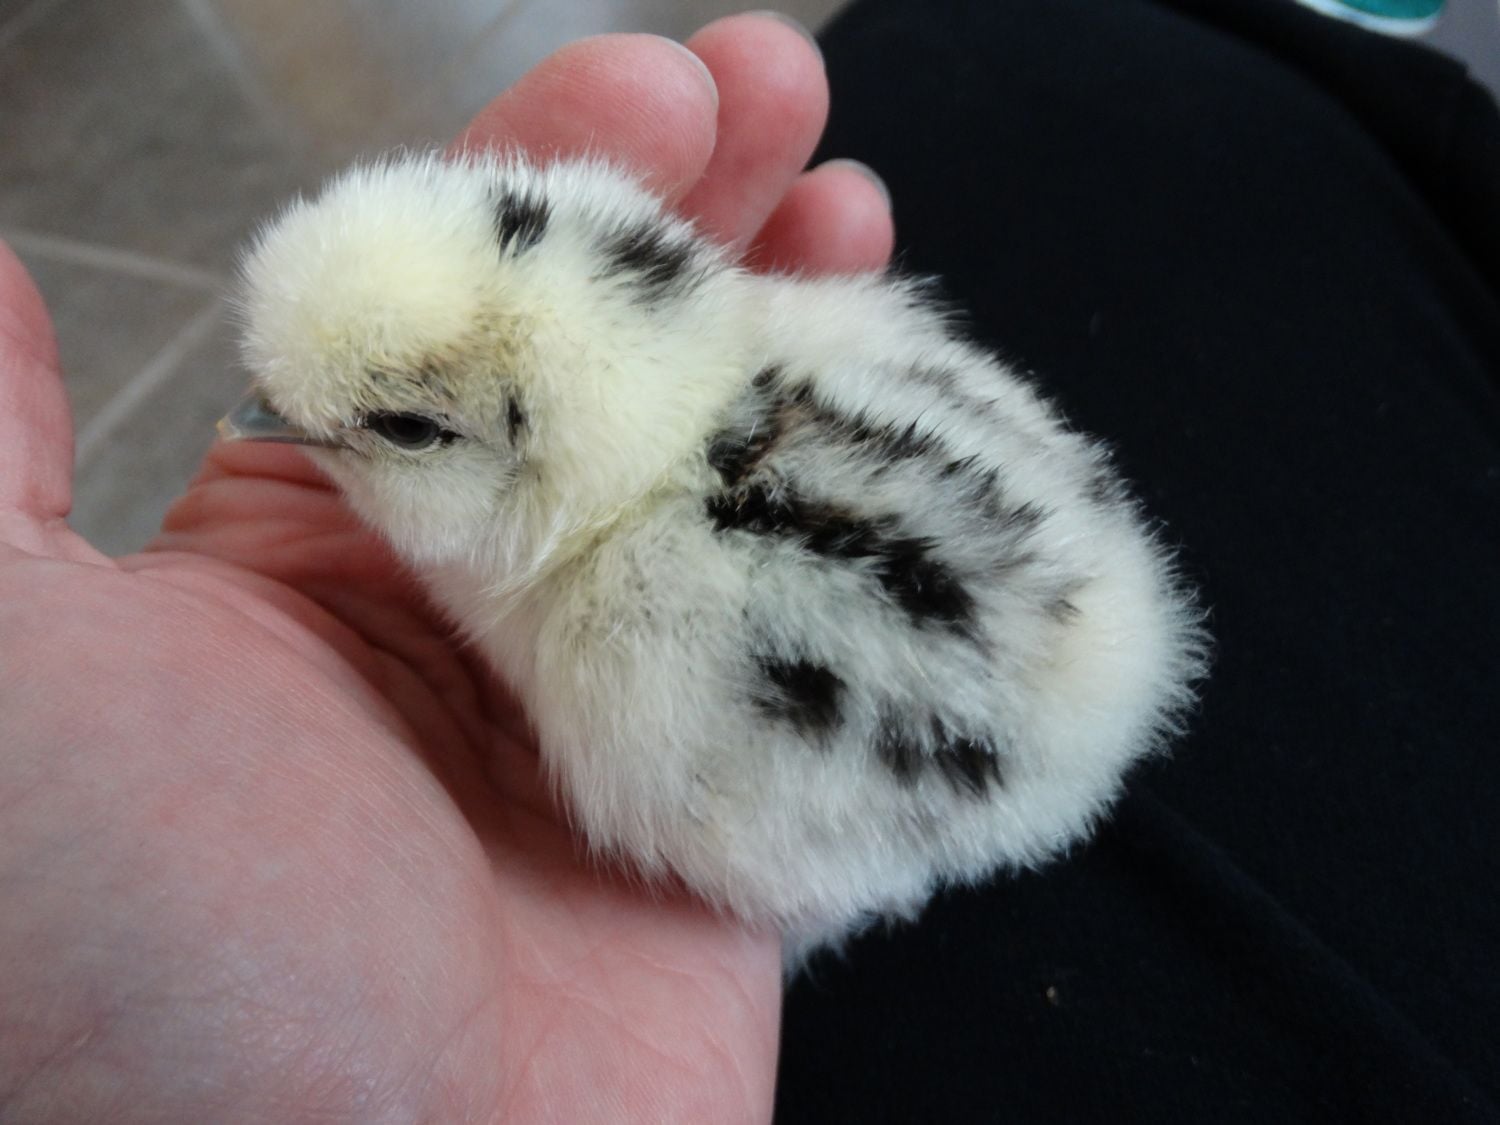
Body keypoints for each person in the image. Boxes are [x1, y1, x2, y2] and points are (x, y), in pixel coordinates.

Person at [1, 3, 1495, 1122]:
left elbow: (801, 811)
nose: (277, 431)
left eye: (367, 427)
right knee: (1038, 54)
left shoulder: (630, 637)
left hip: (984, 756)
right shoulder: (788, 331)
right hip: (1099, 661)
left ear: (517, 447)